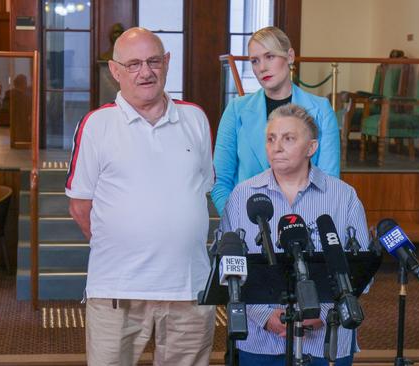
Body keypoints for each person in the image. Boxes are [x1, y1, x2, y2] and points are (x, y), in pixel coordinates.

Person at [65, 27, 215, 365]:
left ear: (167, 62)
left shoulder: (195, 118)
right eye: (133, 64)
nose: (145, 72)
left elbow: (202, 188)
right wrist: (127, 242)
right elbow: (80, 207)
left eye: (153, 61)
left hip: (188, 288)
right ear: (115, 70)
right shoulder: (96, 125)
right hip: (118, 291)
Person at [219, 104, 369, 366]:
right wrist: (264, 317)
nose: (277, 147)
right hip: (260, 341)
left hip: (326, 340)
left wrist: (321, 312)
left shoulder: (344, 197)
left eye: (289, 139)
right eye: (271, 139)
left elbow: (362, 273)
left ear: (311, 148)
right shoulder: (242, 196)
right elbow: (226, 267)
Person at [212, 26, 340, 215]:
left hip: (306, 227)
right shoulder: (236, 110)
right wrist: (238, 222)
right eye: (254, 61)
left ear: (289, 56)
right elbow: (221, 182)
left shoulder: (321, 110)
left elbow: (330, 182)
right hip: (248, 227)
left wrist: (302, 226)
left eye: (269, 56)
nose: (262, 67)